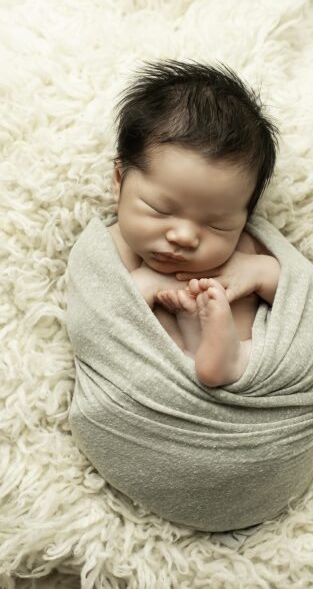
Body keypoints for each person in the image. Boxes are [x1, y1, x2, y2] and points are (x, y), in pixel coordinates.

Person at [105, 59, 282, 387]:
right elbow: (97, 322)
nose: (184, 236)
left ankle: (234, 357)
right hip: (156, 394)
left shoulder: (247, 251)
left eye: (217, 225)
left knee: (263, 353)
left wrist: (261, 273)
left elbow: (304, 304)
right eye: (159, 209)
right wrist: (145, 286)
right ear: (120, 180)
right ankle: (213, 355)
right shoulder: (109, 249)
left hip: (252, 388)